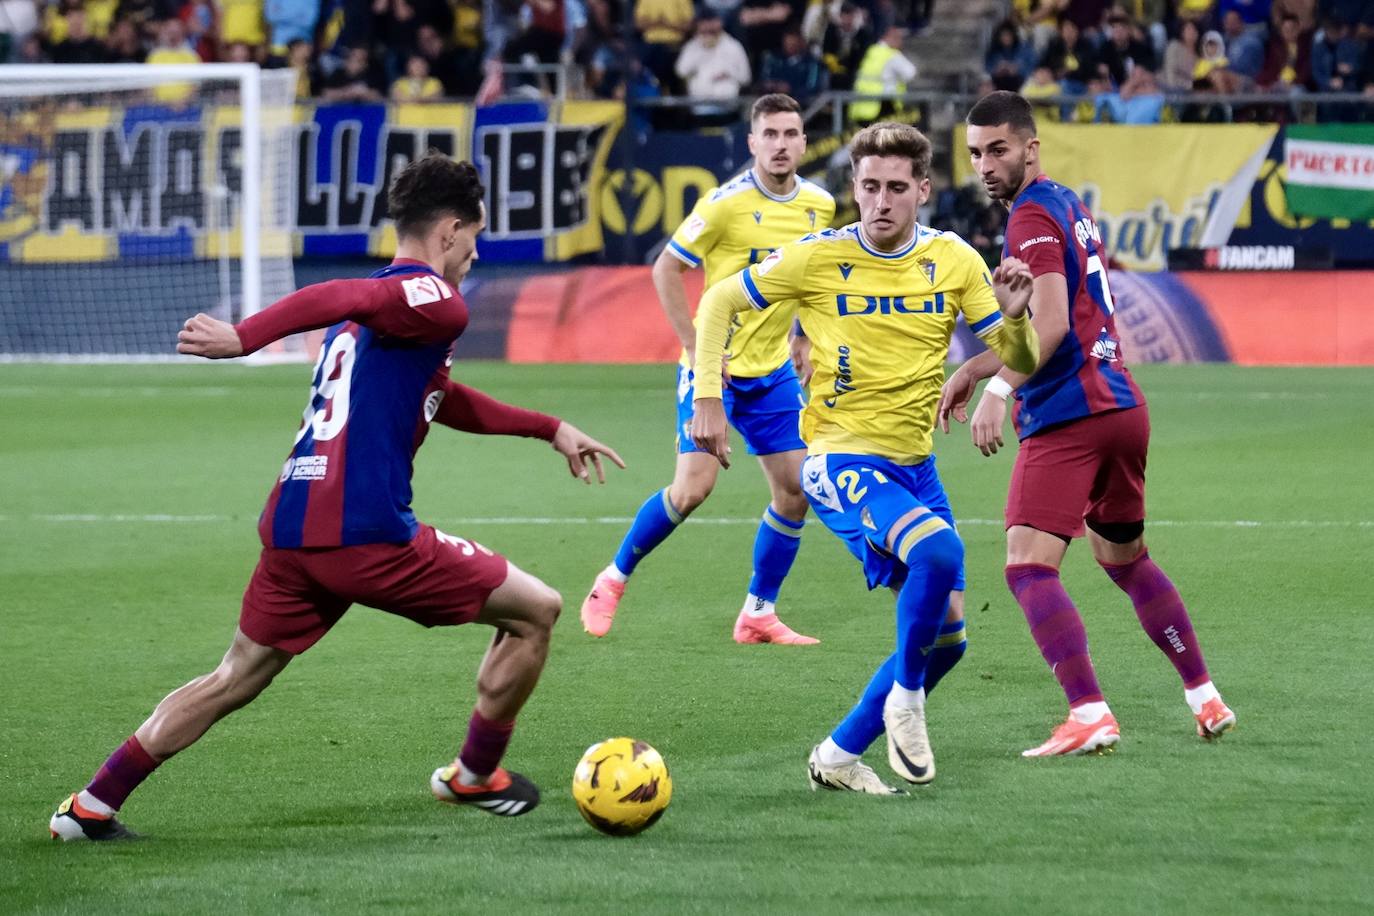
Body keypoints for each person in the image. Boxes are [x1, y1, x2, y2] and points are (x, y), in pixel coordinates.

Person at [49, 154, 625, 841]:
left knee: (234, 675)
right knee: (538, 610)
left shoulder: (374, 324)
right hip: (366, 534)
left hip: (292, 528)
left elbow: (437, 398)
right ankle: (475, 774)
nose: (476, 249)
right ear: (448, 230)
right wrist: (245, 338)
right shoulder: (431, 300)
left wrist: (548, 428)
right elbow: (343, 293)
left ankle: (92, 805)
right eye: (475, 234)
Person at [691, 122, 1040, 793]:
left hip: (915, 467)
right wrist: (708, 395)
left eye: (896, 187)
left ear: (924, 190)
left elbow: (1019, 360)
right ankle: (904, 703)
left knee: (950, 640)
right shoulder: (817, 257)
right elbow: (718, 302)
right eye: (870, 186)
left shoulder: (957, 260)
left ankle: (839, 753)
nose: (881, 200)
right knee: (941, 555)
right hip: (838, 460)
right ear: (853, 189)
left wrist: (1016, 317)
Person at [944, 91, 1236, 758]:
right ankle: (1205, 697)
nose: (986, 165)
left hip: (1070, 415)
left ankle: (1089, 711)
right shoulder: (1066, 204)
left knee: (1026, 566)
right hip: (1122, 409)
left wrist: (996, 388)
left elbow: (1045, 328)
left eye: (998, 149)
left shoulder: (1028, 219)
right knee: (1124, 559)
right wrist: (973, 367)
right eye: (975, 154)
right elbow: (1068, 320)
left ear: (1031, 147)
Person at [578, 94, 835, 645]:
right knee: (693, 488)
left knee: (796, 490)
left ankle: (758, 614)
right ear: (752, 143)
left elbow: (811, 279)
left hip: (772, 373)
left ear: (804, 143)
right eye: (770, 134)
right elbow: (665, 267)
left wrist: (804, 335)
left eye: (791, 134)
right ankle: (611, 578)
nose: (781, 144)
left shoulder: (821, 206)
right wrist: (697, 349)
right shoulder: (724, 205)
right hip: (714, 368)